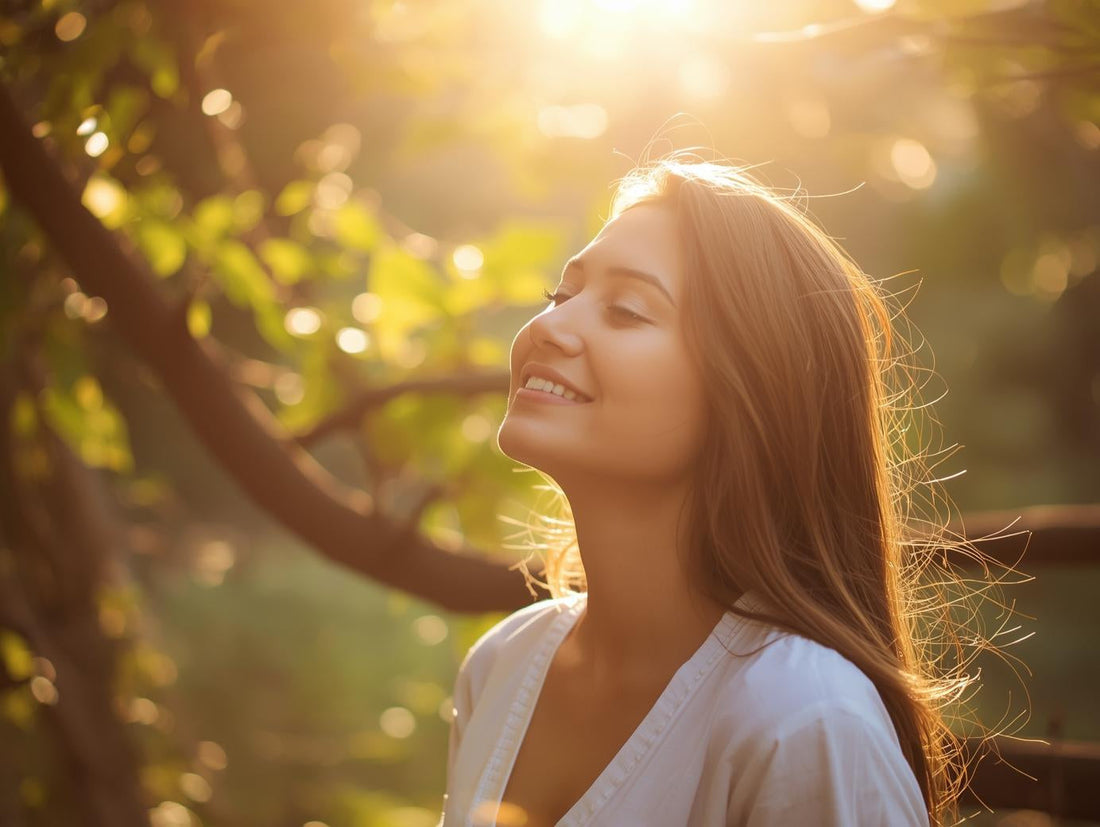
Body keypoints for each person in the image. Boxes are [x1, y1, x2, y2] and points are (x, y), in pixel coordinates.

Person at [439, 154, 995, 826]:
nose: (549, 327)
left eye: (626, 310)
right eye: (562, 295)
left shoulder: (802, 718)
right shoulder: (502, 664)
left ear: (750, 388)